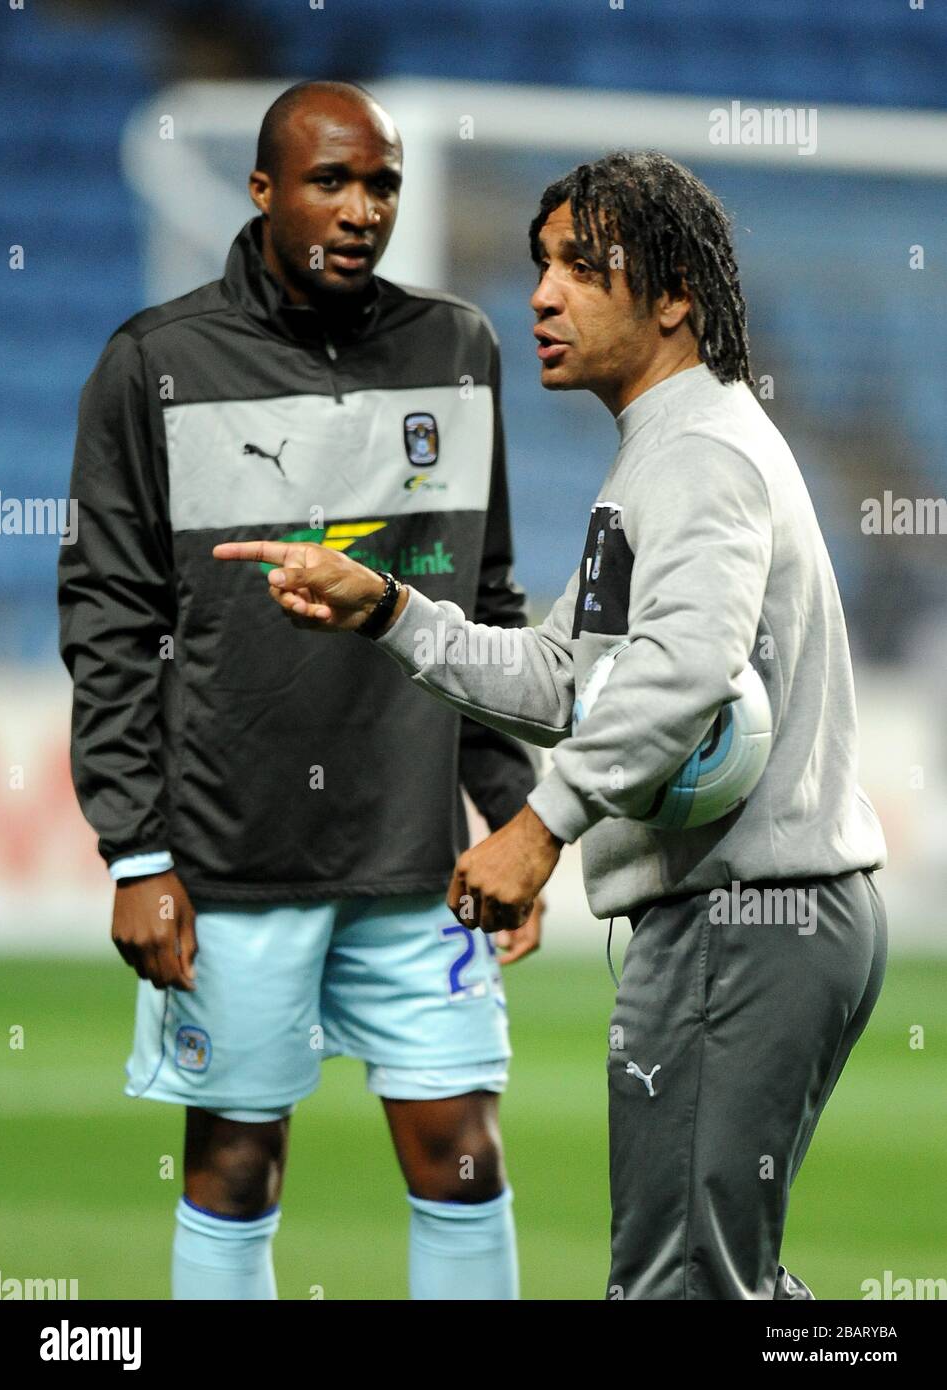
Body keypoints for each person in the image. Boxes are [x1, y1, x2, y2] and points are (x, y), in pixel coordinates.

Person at [216, 151, 889, 1301]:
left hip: (743, 916)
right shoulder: (667, 451)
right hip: (761, 916)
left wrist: (542, 827)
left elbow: (683, 673)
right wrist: (388, 609)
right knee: (728, 1284)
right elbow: (569, 673)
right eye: (540, 265)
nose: (541, 292)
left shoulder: (700, 453)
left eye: (582, 266)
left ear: (674, 293)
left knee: (677, 1288)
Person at [59, 80, 542, 1302]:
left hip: (415, 854)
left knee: (464, 1157)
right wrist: (135, 852)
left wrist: (513, 813)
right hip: (228, 857)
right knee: (235, 1166)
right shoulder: (155, 363)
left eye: (382, 182)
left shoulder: (458, 347)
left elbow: (482, 601)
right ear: (264, 190)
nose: (363, 207)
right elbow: (113, 619)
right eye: (331, 180)